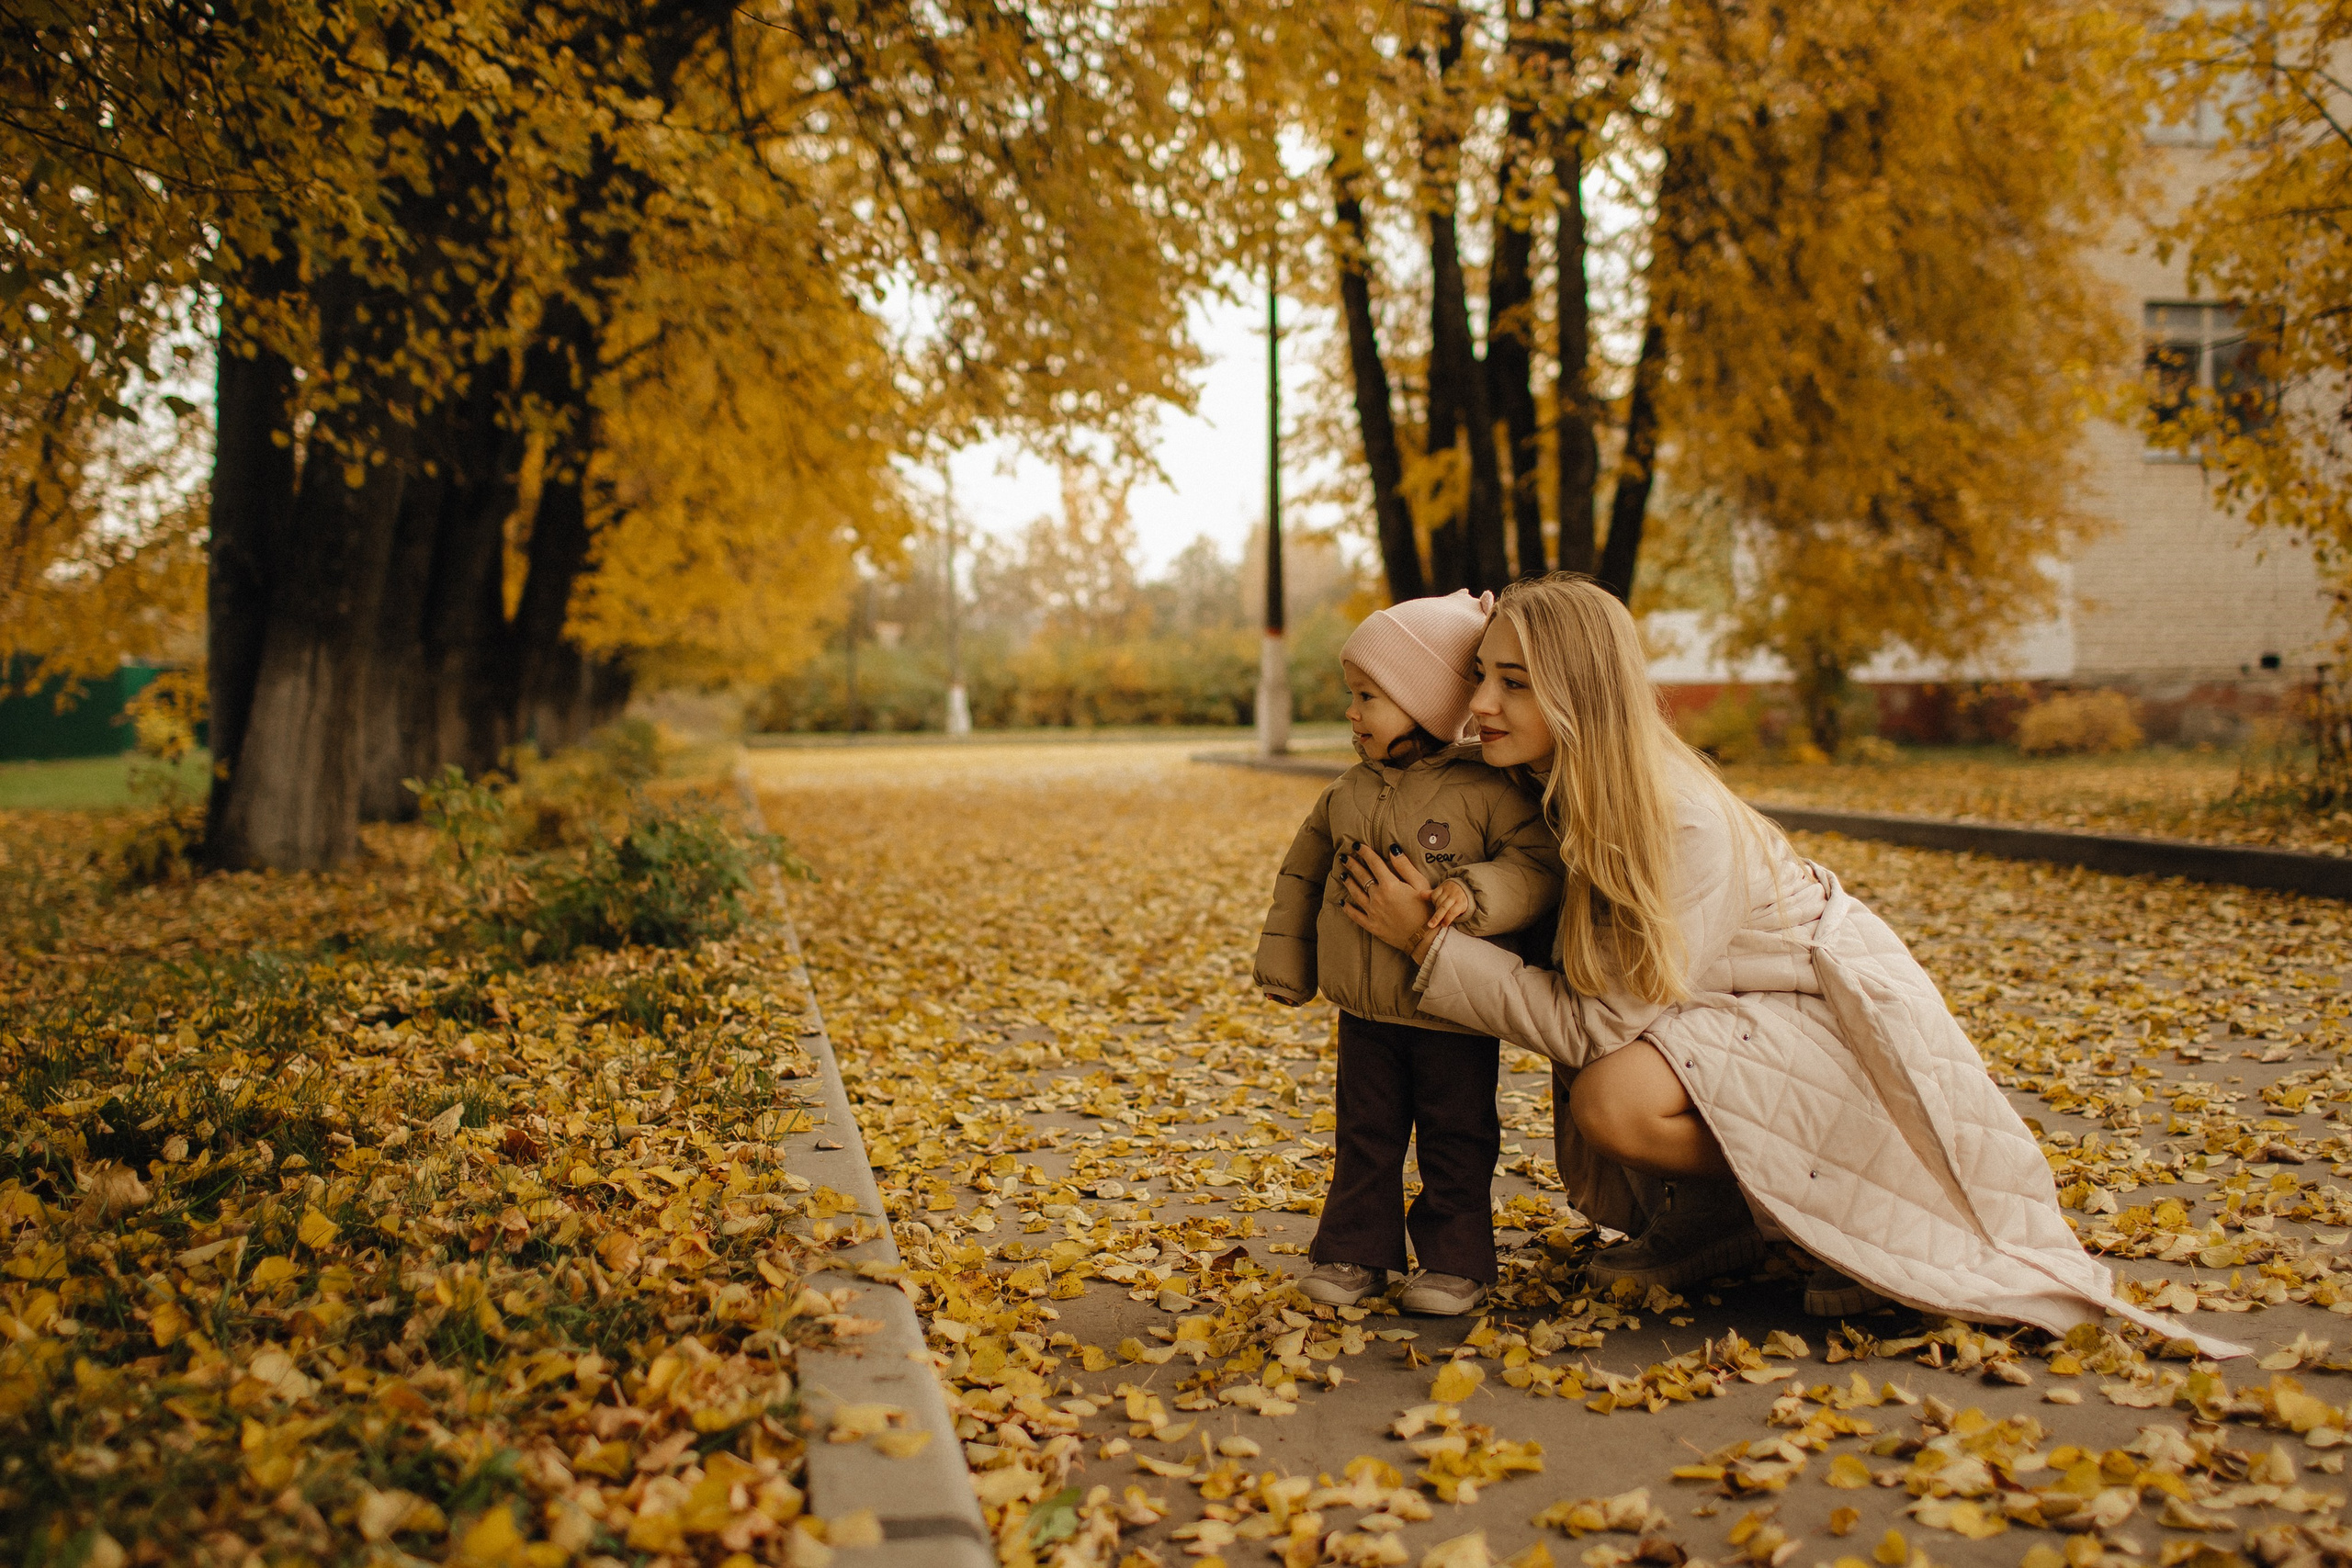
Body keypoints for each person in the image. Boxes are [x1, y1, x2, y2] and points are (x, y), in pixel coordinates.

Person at [1334, 573, 2239, 1354]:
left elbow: (1592, 1021)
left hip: (1816, 1009)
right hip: (1718, 1005)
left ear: (1582, 695)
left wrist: (1428, 943)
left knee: (1611, 1091)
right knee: (1601, 1066)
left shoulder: (1674, 818)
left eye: (1513, 683)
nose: (1480, 704)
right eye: (1480, 675)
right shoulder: (1538, 782)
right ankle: (1723, 1220)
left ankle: (1820, 1210)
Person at [1256, 589, 1563, 1317]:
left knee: (1457, 1137)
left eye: (1369, 696)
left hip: (1450, 1012)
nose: (1352, 713)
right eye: (1352, 696)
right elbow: (1302, 875)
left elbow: (1537, 866)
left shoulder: (1488, 793)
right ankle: (1354, 1251)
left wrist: (1477, 891)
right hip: (1365, 1011)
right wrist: (1286, 961)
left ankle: (1457, 1261)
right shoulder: (1345, 794)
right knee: (1365, 1134)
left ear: (1425, 705)